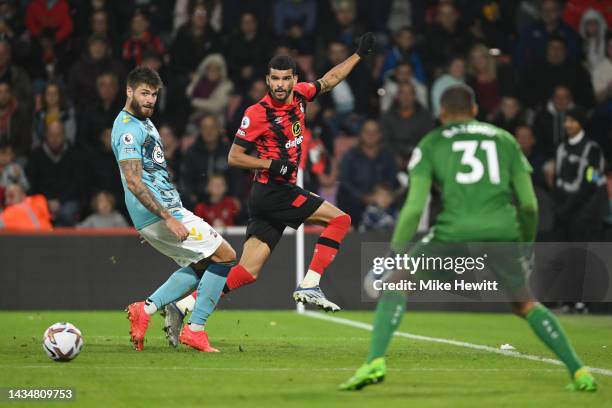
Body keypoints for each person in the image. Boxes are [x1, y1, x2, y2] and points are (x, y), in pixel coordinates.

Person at [340, 85, 597, 392]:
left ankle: (374, 362)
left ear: (442, 114)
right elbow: (529, 205)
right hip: (502, 232)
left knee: (397, 283)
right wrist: (525, 246)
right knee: (526, 303)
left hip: (453, 231)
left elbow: (413, 207)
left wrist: (395, 251)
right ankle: (580, 372)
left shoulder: (432, 142)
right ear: (475, 110)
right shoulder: (505, 140)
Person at [163, 34, 376, 347]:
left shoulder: (301, 95)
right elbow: (234, 156)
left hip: (270, 196)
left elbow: (330, 80)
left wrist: (358, 55)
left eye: (285, 79)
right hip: (273, 191)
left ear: (294, 80)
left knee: (247, 271)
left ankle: (182, 305)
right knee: (340, 220)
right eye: (274, 79)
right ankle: (311, 284)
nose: (279, 85)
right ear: (267, 80)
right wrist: (270, 164)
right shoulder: (256, 113)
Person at [113, 66, 236, 353]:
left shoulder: (144, 122)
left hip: (162, 212)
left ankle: (146, 309)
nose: (150, 100)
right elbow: (133, 180)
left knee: (203, 263)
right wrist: (167, 218)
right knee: (226, 257)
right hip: (161, 215)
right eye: (144, 93)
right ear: (129, 91)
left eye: (154, 94)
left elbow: (152, 173)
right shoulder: (128, 128)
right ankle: (195, 329)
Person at [554, 106, 607, 241]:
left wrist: (569, 208)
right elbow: (558, 178)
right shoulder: (561, 147)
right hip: (563, 209)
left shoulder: (592, 149)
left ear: (581, 123)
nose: (568, 124)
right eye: (566, 120)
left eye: (573, 121)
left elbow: (591, 182)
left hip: (583, 212)